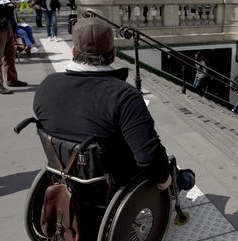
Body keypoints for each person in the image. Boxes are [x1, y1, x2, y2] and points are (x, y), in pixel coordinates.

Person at [33, 15, 171, 204]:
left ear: (73, 51)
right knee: (165, 165)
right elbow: (148, 157)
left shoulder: (47, 85)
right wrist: (165, 179)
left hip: (64, 172)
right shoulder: (124, 96)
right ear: (113, 54)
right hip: (109, 185)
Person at [0, 0, 27, 94]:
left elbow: (8, 7)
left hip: (7, 26)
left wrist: (13, 5)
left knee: (10, 56)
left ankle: (11, 80)